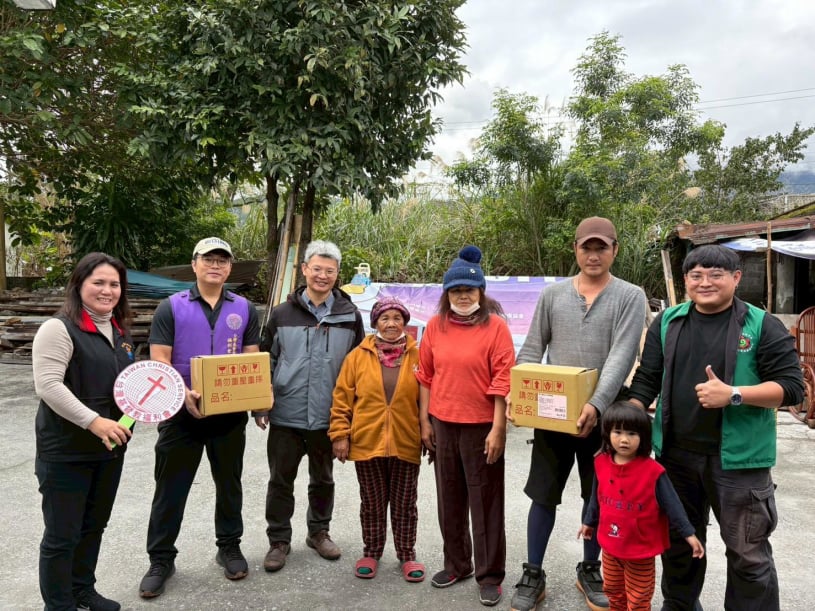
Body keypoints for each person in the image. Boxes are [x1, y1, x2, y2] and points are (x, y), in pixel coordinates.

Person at [628, 244, 804, 611]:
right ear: (686, 280)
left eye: (716, 275)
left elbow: (791, 388)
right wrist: (627, 417)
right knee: (679, 543)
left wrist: (734, 394)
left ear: (736, 278)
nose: (705, 282)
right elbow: (647, 378)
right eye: (696, 275)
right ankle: (680, 605)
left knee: (747, 553)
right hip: (676, 456)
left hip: (740, 461)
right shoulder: (668, 321)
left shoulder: (761, 324)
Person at [507, 217, 647, 611]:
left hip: (605, 416)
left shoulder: (630, 296)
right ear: (575, 250)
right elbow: (532, 348)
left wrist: (596, 405)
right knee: (542, 493)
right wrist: (520, 394)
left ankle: (590, 568)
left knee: (599, 495)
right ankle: (533, 572)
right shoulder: (553, 296)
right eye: (587, 247)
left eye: (602, 247)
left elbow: (622, 355)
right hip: (553, 411)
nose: (594, 255)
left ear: (615, 250)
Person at [138, 237, 261, 598]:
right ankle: (161, 559)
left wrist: (257, 401)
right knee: (170, 488)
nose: (215, 265)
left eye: (222, 260)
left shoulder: (244, 308)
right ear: (194, 264)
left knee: (229, 484)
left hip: (228, 413)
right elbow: (160, 358)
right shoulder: (171, 307)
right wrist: (182, 391)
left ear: (229, 268)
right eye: (208, 259)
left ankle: (229, 546)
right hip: (181, 414)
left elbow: (251, 359)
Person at [32, 252, 135, 611]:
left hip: (108, 449)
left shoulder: (119, 331)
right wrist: (94, 421)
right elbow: (48, 386)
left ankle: (82, 590)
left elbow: (127, 387)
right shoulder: (58, 329)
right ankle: (59, 605)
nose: (107, 290)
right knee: (62, 535)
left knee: (93, 526)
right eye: (99, 282)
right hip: (66, 451)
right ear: (79, 285)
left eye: (114, 284)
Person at [255, 240, 365, 573]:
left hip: (328, 415)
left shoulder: (349, 315)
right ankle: (279, 540)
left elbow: (360, 367)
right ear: (304, 269)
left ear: (337, 274)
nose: (322, 275)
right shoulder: (281, 314)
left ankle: (318, 532)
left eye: (329, 270)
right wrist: (260, 405)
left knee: (323, 479)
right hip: (286, 414)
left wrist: (352, 415)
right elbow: (265, 360)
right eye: (316, 268)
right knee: (280, 480)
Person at [416, 245, 515, 608]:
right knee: (450, 498)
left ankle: (489, 575)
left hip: (481, 427)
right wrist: (424, 420)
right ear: (446, 294)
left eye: (469, 290)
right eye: (455, 290)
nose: (462, 296)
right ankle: (457, 564)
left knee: (485, 502)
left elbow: (503, 379)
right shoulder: (435, 326)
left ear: (480, 292)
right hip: (443, 424)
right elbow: (425, 375)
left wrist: (498, 428)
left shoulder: (496, 328)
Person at [328, 296, 425, 582]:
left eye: (397, 318)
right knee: (372, 502)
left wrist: (429, 433)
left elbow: (429, 399)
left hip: (406, 440)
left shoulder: (418, 356)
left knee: (405, 504)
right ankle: (371, 552)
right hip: (367, 440)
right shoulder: (358, 356)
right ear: (375, 323)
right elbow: (342, 398)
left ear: (405, 323)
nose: (391, 324)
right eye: (385, 318)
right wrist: (340, 435)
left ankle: (407, 555)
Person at [578, 401, 704, 611]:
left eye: (632, 433)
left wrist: (688, 534)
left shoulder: (653, 472)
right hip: (610, 547)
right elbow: (596, 496)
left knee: (638, 598)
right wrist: (589, 522)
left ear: (643, 436)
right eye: (617, 432)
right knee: (613, 592)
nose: (624, 439)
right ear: (607, 433)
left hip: (640, 551)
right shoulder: (601, 463)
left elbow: (673, 505)